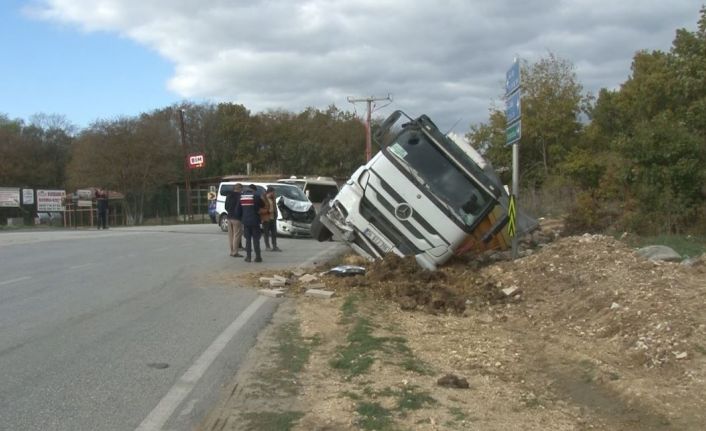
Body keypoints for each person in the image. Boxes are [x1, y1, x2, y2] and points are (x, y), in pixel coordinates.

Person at [236, 184, 263, 262]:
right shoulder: (256, 196)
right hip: (255, 221)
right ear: (253, 190)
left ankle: (248, 257)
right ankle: (258, 257)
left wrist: (242, 217)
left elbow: (238, 211)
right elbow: (262, 205)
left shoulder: (241, 197)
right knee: (256, 239)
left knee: (248, 240)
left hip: (246, 222)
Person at [225, 183, 244, 257]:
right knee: (237, 235)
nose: (242, 191)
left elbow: (226, 206)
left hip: (229, 216)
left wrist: (230, 211)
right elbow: (241, 207)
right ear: (239, 189)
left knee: (231, 235)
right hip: (236, 217)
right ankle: (235, 252)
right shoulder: (240, 196)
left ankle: (231, 251)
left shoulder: (229, 195)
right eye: (241, 189)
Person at [261, 186, 281, 252]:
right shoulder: (263, 198)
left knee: (274, 233)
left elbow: (275, 206)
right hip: (266, 218)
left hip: (273, 217)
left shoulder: (273, 198)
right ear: (270, 192)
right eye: (273, 192)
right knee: (266, 233)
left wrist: (276, 213)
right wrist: (267, 211)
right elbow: (261, 209)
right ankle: (267, 246)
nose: (274, 194)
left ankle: (274, 246)